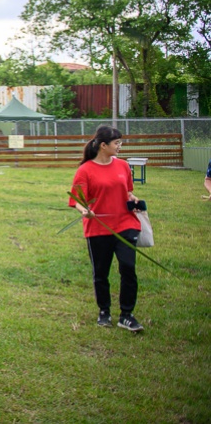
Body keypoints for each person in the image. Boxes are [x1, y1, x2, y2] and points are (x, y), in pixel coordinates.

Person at [69, 125, 144, 332]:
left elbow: (128, 191)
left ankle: (127, 315)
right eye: (116, 143)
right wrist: (84, 210)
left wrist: (133, 198)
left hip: (126, 224)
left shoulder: (123, 166)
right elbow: (76, 200)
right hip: (98, 228)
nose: (120, 146)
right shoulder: (85, 170)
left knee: (128, 268)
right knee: (100, 273)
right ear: (103, 145)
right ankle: (104, 311)